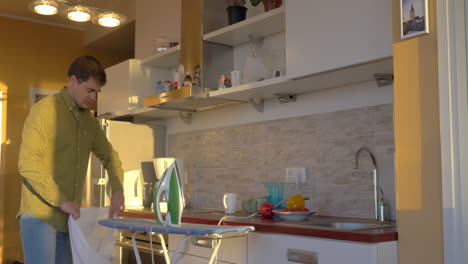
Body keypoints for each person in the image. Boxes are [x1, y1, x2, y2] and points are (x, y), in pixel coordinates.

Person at [17, 55, 125, 264]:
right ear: (73, 81)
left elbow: (111, 157)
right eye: (90, 90)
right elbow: (28, 162)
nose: (93, 98)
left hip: (69, 218)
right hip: (39, 215)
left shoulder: (90, 122)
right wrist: (61, 200)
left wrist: (118, 188)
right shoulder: (46, 111)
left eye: (97, 92)